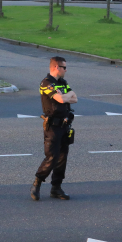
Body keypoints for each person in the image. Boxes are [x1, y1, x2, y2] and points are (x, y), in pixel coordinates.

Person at [31, 56, 77, 201]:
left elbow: (74, 98)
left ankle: (56, 188)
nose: (66, 70)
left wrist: (65, 95)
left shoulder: (62, 83)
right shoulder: (46, 83)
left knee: (62, 158)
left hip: (65, 125)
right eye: (64, 67)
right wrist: (65, 96)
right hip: (53, 127)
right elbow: (61, 99)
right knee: (52, 157)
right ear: (56, 67)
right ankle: (37, 182)